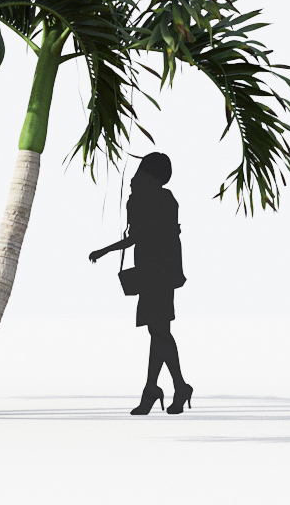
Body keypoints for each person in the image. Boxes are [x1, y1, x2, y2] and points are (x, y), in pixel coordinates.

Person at [89, 152, 193, 415]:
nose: (135, 176)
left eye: (141, 171)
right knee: (158, 332)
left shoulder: (143, 200)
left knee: (159, 332)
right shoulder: (166, 199)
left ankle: (167, 388)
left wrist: (104, 251)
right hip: (161, 272)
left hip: (154, 273)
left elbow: (136, 237)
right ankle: (161, 388)